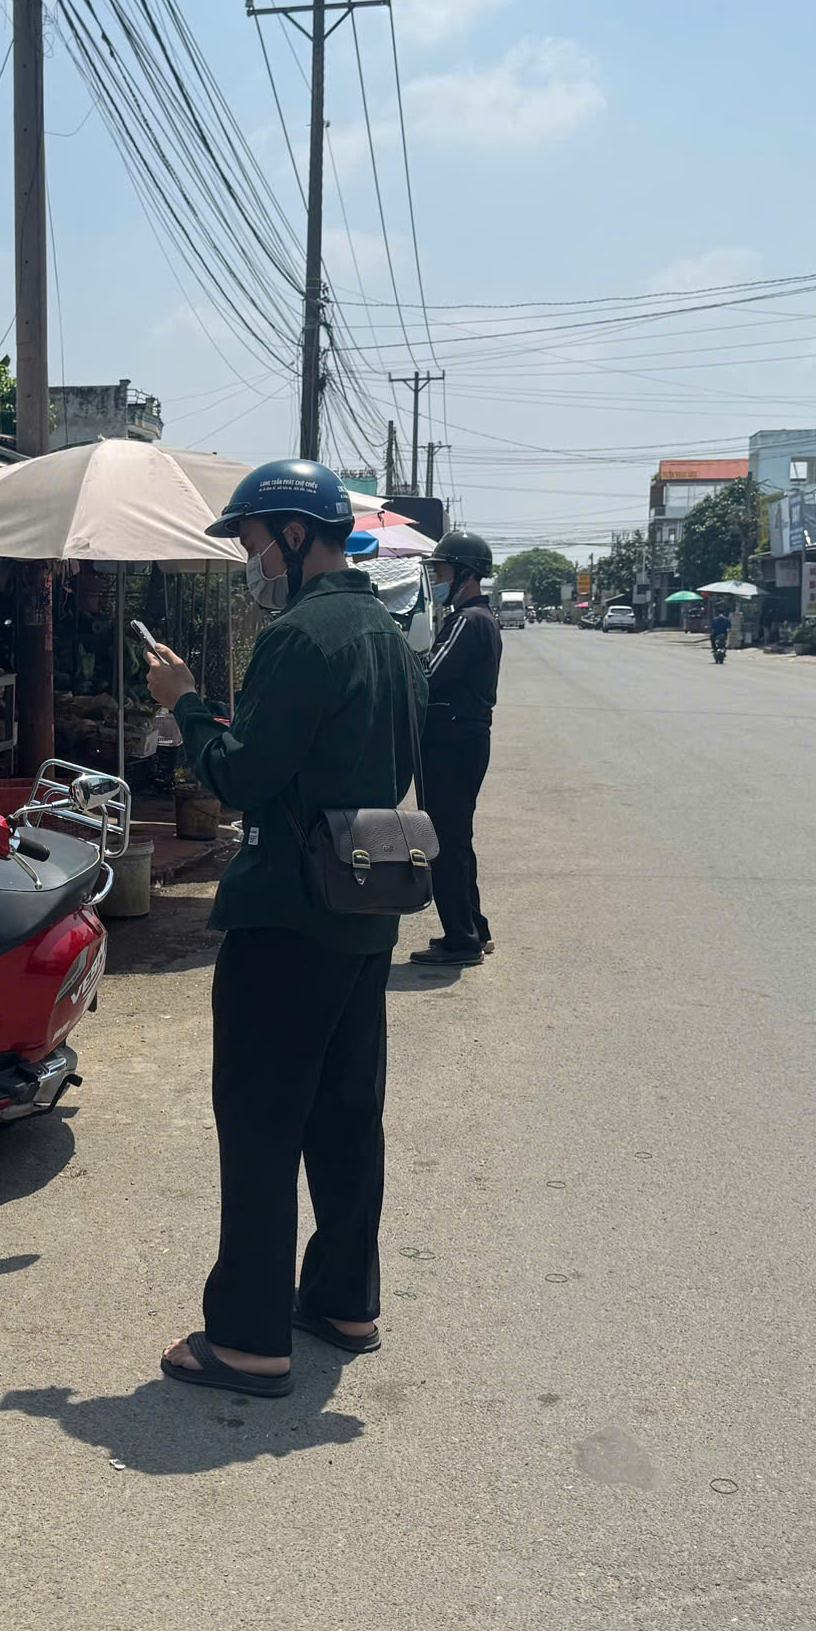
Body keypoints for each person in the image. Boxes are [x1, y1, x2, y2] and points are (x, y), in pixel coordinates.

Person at [138, 459, 424, 1399]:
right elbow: (360, 758)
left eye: (256, 541)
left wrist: (184, 704)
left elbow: (240, 777)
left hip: (287, 916)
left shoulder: (299, 636)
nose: (252, 562)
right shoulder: (387, 635)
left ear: (296, 537)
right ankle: (344, 1302)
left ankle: (251, 1338)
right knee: (347, 1117)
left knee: (261, 1125)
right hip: (363, 908)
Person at [413, 531, 502, 968]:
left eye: (443, 571)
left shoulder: (468, 620)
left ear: (466, 574)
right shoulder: (477, 618)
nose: (438, 580)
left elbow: (429, 674)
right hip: (462, 742)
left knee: (445, 843)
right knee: (456, 840)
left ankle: (461, 940)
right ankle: (474, 929)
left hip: (452, 744)